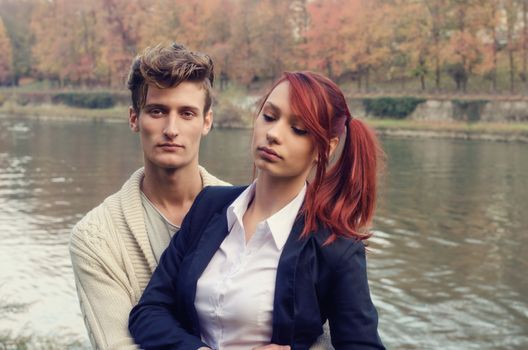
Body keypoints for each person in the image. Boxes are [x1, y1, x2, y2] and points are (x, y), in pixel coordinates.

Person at [129, 71, 385, 349]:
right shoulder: (209, 205)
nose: (273, 134)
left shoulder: (336, 249)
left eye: (298, 129)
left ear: (325, 149)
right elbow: (149, 312)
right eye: (269, 116)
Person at [69, 42, 230, 350]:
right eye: (157, 111)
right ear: (134, 119)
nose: (171, 129)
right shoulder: (95, 236)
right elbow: (119, 345)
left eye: (186, 113)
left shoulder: (244, 209)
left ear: (206, 122)